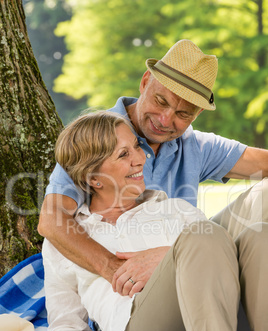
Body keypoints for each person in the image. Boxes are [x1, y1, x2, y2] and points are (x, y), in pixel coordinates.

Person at [43, 111, 268, 331]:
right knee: (204, 235)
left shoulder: (175, 210)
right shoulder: (72, 237)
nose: (140, 158)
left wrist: (167, 259)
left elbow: (222, 262)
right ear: (94, 179)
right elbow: (66, 319)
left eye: (136, 146)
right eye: (123, 154)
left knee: (260, 234)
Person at [38, 39, 268, 294]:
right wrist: (115, 270)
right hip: (136, 290)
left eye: (183, 114)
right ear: (146, 81)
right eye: (161, 101)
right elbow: (51, 220)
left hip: (190, 259)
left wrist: (172, 256)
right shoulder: (95, 139)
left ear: (197, 114)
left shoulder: (196, 146)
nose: (165, 120)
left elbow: (263, 164)